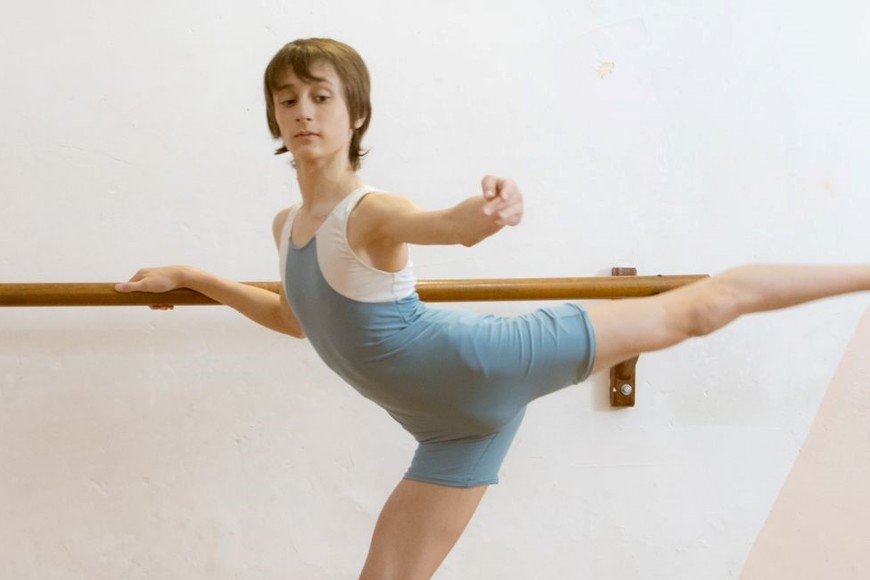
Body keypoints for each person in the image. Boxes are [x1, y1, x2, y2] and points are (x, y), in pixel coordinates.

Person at [115, 37, 870, 579]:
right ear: (273, 118)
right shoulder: (288, 229)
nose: (304, 111)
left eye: (322, 96)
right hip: (449, 431)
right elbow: (296, 319)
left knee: (700, 309)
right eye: (288, 99)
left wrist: (491, 211)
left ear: (356, 114)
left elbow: (447, 228)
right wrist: (194, 277)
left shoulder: (370, 211)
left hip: (489, 360)